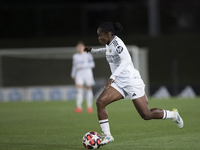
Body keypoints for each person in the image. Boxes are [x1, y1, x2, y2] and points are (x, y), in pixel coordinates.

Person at [84, 22, 184, 146]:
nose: (99, 38)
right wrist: (93, 50)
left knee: (146, 115)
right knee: (100, 102)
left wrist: (112, 77)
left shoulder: (117, 43)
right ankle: (108, 136)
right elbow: (107, 51)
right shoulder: (110, 43)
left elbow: (126, 60)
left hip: (132, 81)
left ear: (108, 34)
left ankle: (173, 115)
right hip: (119, 83)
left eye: (100, 36)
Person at [71, 41, 95, 113]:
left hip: (87, 73)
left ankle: (89, 107)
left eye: (81, 47)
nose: (79, 48)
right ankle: (79, 107)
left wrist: (83, 66)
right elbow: (74, 66)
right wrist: (73, 74)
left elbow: (92, 64)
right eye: (78, 47)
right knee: (79, 90)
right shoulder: (75, 56)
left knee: (89, 90)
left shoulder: (88, 55)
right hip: (79, 74)